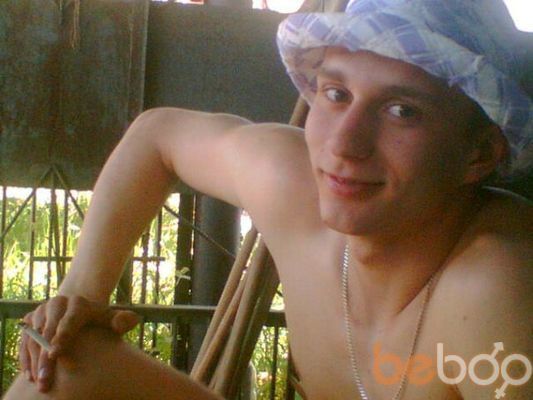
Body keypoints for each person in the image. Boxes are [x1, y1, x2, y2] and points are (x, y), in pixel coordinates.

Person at [5, 0, 532, 399]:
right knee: (58, 366)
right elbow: (157, 135)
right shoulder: (292, 188)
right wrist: (81, 294)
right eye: (336, 94)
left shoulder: (495, 287)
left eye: (403, 112)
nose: (344, 144)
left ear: (479, 155)